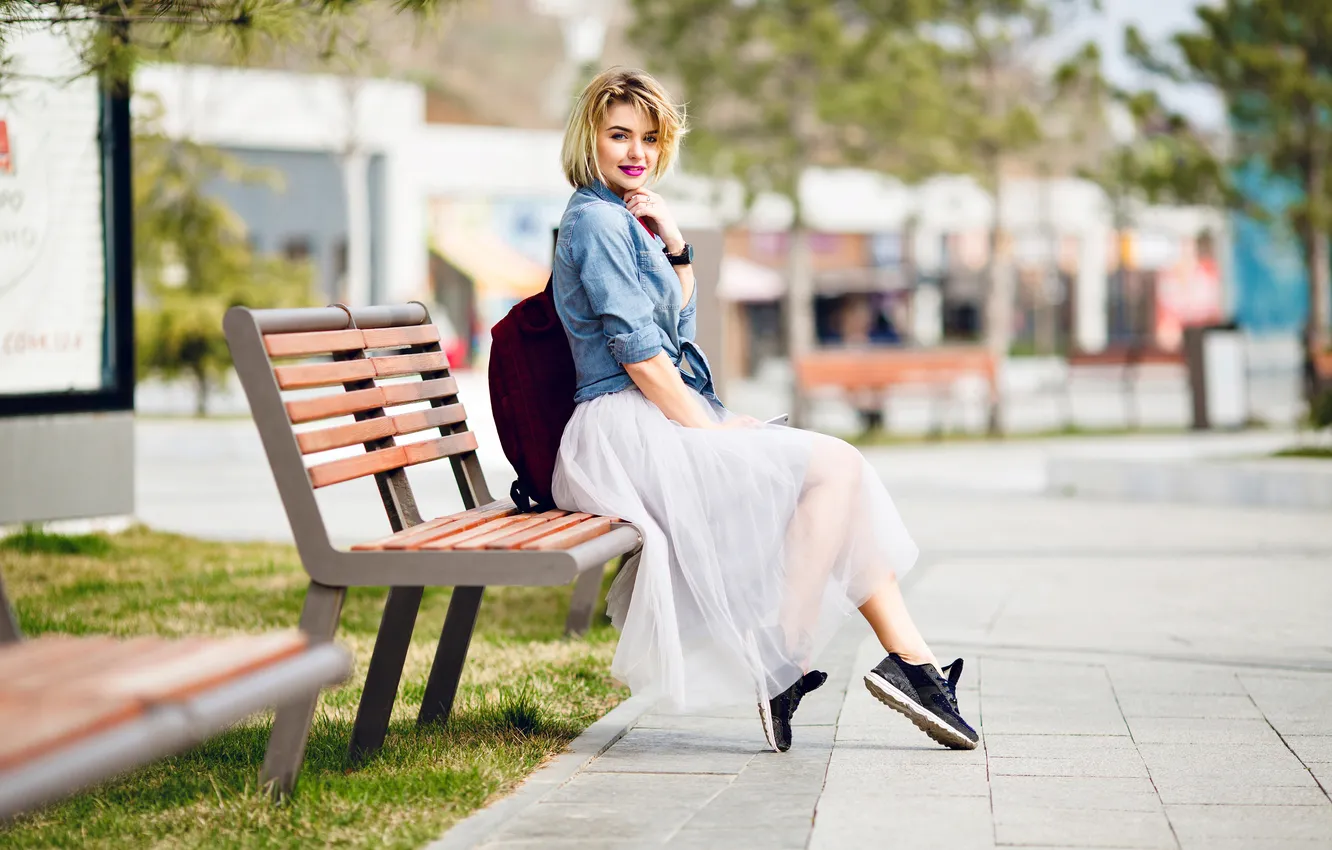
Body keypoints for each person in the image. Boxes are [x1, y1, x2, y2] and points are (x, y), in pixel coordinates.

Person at [549, 67, 978, 753]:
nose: (637, 151)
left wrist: (678, 247)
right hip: (624, 427)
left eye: (651, 138)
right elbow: (639, 356)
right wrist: (710, 431)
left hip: (649, 414)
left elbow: (671, 332)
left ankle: (913, 667)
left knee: (841, 484)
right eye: (620, 135)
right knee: (836, 468)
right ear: (589, 138)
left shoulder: (623, 220)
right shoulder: (597, 223)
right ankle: (790, 657)